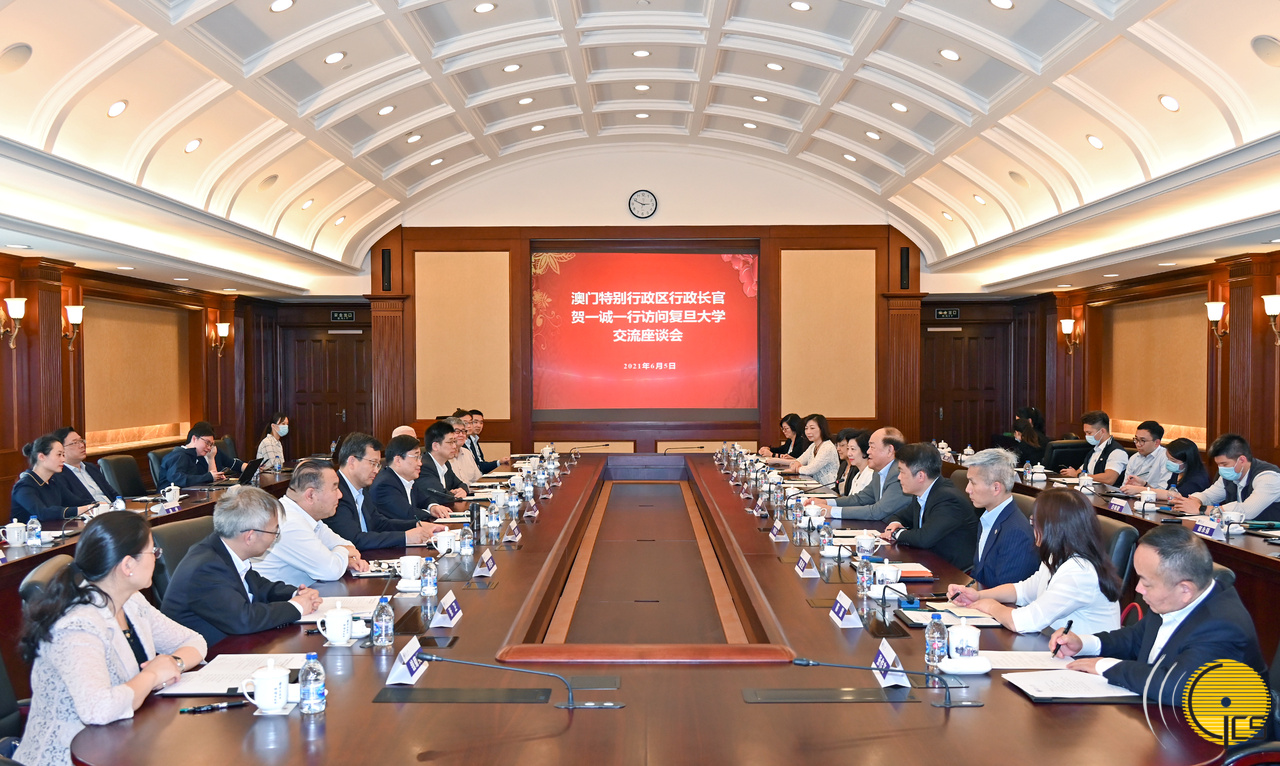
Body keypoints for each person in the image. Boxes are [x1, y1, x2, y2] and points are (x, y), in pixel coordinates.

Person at [14, 513, 207, 766]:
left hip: (126, 741)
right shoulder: (77, 626)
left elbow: (194, 641)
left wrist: (173, 664)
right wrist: (152, 676)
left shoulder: (131, 600)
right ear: (127, 565)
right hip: (72, 756)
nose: (157, 558)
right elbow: (98, 709)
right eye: (153, 552)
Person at [1049, 524, 1265, 704]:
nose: (1138, 589)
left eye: (1146, 583)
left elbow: (1176, 686)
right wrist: (1084, 644)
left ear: (1185, 590)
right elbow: (1136, 638)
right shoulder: (1170, 599)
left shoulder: (1223, 626)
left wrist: (1104, 665)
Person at [161, 486, 323, 645]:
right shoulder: (205, 568)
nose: (275, 538)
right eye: (274, 532)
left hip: (236, 644)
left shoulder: (226, 551)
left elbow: (259, 587)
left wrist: (296, 594)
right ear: (250, 536)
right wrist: (296, 607)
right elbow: (243, 620)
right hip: (208, 655)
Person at [949, 488, 1121, 634]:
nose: (1032, 527)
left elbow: (1025, 622)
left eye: (1034, 521)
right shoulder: (1057, 556)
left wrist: (990, 606)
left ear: (1053, 527)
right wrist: (978, 596)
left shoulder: (1079, 572)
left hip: (1085, 658)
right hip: (1059, 648)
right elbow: (1024, 590)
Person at [253, 460, 370, 585]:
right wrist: (343, 554)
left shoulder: (308, 517)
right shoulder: (288, 521)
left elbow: (348, 545)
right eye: (335, 488)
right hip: (277, 596)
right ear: (310, 495)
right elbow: (330, 570)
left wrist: (343, 558)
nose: (340, 495)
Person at [324, 432, 443, 551]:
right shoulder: (335, 493)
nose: (376, 470)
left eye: (378, 465)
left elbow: (379, 523)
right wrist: (405, 537)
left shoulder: (361, 489)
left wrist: (417, 525)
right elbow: (355, 539)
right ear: (352, 462)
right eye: (373, 463)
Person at [880, 443, 979, 571]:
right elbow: (899, 516)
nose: (899, 478)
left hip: (952, 572)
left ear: (921, 476)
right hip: (928, 562)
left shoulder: (948, 499)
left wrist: (895, 533)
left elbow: (923, 539)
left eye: (902, 472)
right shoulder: (922, 493)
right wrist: (895, 523)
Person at [964, 448, 1039, 589]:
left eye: (972, 482)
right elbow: (979, 573)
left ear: (996, 488)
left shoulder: (1017, 534)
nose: (967, 489)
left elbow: (1006, 593)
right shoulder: (987, 518)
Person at [1173, 433, 1280, 521]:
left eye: (1224, 464)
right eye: (1218, 464)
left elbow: (1246, 511)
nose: (1221, 469)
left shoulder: (1268, 477)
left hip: (1269, 536)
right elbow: (1209, 496)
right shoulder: (1231, 474)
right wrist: (1194, 501)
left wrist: (1201, 509)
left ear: (1242, 460)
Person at [813, 427, 912, 521]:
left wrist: (832, 511)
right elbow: (860, 499)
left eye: (872, 447)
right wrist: (826, 502)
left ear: (889, 450)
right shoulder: (878, 472)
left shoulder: (899, 474)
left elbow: (878, 511)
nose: (868, 451)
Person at [11, 434, 97, 523]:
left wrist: (96, 505)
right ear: (41, 457)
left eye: (63, 455)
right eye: (59, 455)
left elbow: (76, 502)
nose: (63, 459)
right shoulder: (24, 486)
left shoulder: (54, 481)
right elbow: (43, 513)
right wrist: (82, 509)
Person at [370, 434, 450, 522]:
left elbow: (425, 499)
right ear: (398, 460)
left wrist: (433, 507)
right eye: (416, 457)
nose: (420, 463)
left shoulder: (408, 480)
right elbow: (407, 514)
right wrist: (430, 513)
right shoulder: (385, 484)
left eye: (420, 458)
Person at [160, 423, 239, 488]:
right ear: (194, 439)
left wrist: (215, 477)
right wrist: (208, 477)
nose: (209, 448)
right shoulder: (179, 455)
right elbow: (177, 479)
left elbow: (196, 479)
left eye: (211, 445)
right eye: (207, 443)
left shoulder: (194, 457)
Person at [1060, 411, 1127, 486]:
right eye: (1085, 433)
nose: (1086, 436)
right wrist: (1072, 473)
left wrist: (1079, 475)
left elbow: (1109, 479)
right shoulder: (1094, 450)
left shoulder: (1116, 452)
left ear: (1102, 431)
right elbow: (1080, 471)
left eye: (1089, 433)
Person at [52, 427, 116, 505]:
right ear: (61, 449)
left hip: (113, 509)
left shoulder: (91, 467)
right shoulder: (59, 475)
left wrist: (120, 504)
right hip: (93, 510)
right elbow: (74, 503)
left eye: (81, 441)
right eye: (74, 443)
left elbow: (113, 493)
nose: (82, 445)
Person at [416, 420, 470, 506]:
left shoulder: (446, 464)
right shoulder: (424, 466)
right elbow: (440, 496)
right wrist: (456, 495)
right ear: (435, 446)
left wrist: (462, 490)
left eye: (454, 442)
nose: (454, 446)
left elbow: (460, 484)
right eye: (450, 442)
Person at [1142, 437, 1210, 502]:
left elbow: (1175, 496)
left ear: (1187, 461)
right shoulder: (1177, 472)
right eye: (1168, 459)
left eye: (1173, 460)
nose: (1169, 463)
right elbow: (1167, 493)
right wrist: (1145, 484)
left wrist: (1140, 489)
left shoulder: (1197, 480)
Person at [787, 414, 839, 487]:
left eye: (812, 428)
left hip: (829, 488)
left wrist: (797, 469)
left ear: (822, 429)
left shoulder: (827, 447)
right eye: (806, 428)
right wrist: (796, 464)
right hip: (816, 486)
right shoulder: (813, 446)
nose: (808, 432)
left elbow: (810, 469)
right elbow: (798, 460)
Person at [1120, 420, 1170, 490]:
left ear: (1156, 442)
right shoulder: (1134, 458)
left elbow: (1164, 491)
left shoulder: (1166, 458)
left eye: (1143, 440)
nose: (1138, 444)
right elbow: (1124, 486)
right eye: (1136, 439)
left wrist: (1142, 487)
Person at [462, 409, 511, 474]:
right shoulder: (464, 441)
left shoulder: (474, 440)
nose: (479, 425)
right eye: (475, 422)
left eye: (481, 422)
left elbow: (481, 465)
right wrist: (498, 462)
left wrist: (499, 462)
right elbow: (479, 466)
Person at [839, 429, 874, 497]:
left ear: (864, 451)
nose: (849, 454)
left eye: (853, 449)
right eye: (848, 449)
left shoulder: (871, 475)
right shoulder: (857, 475)